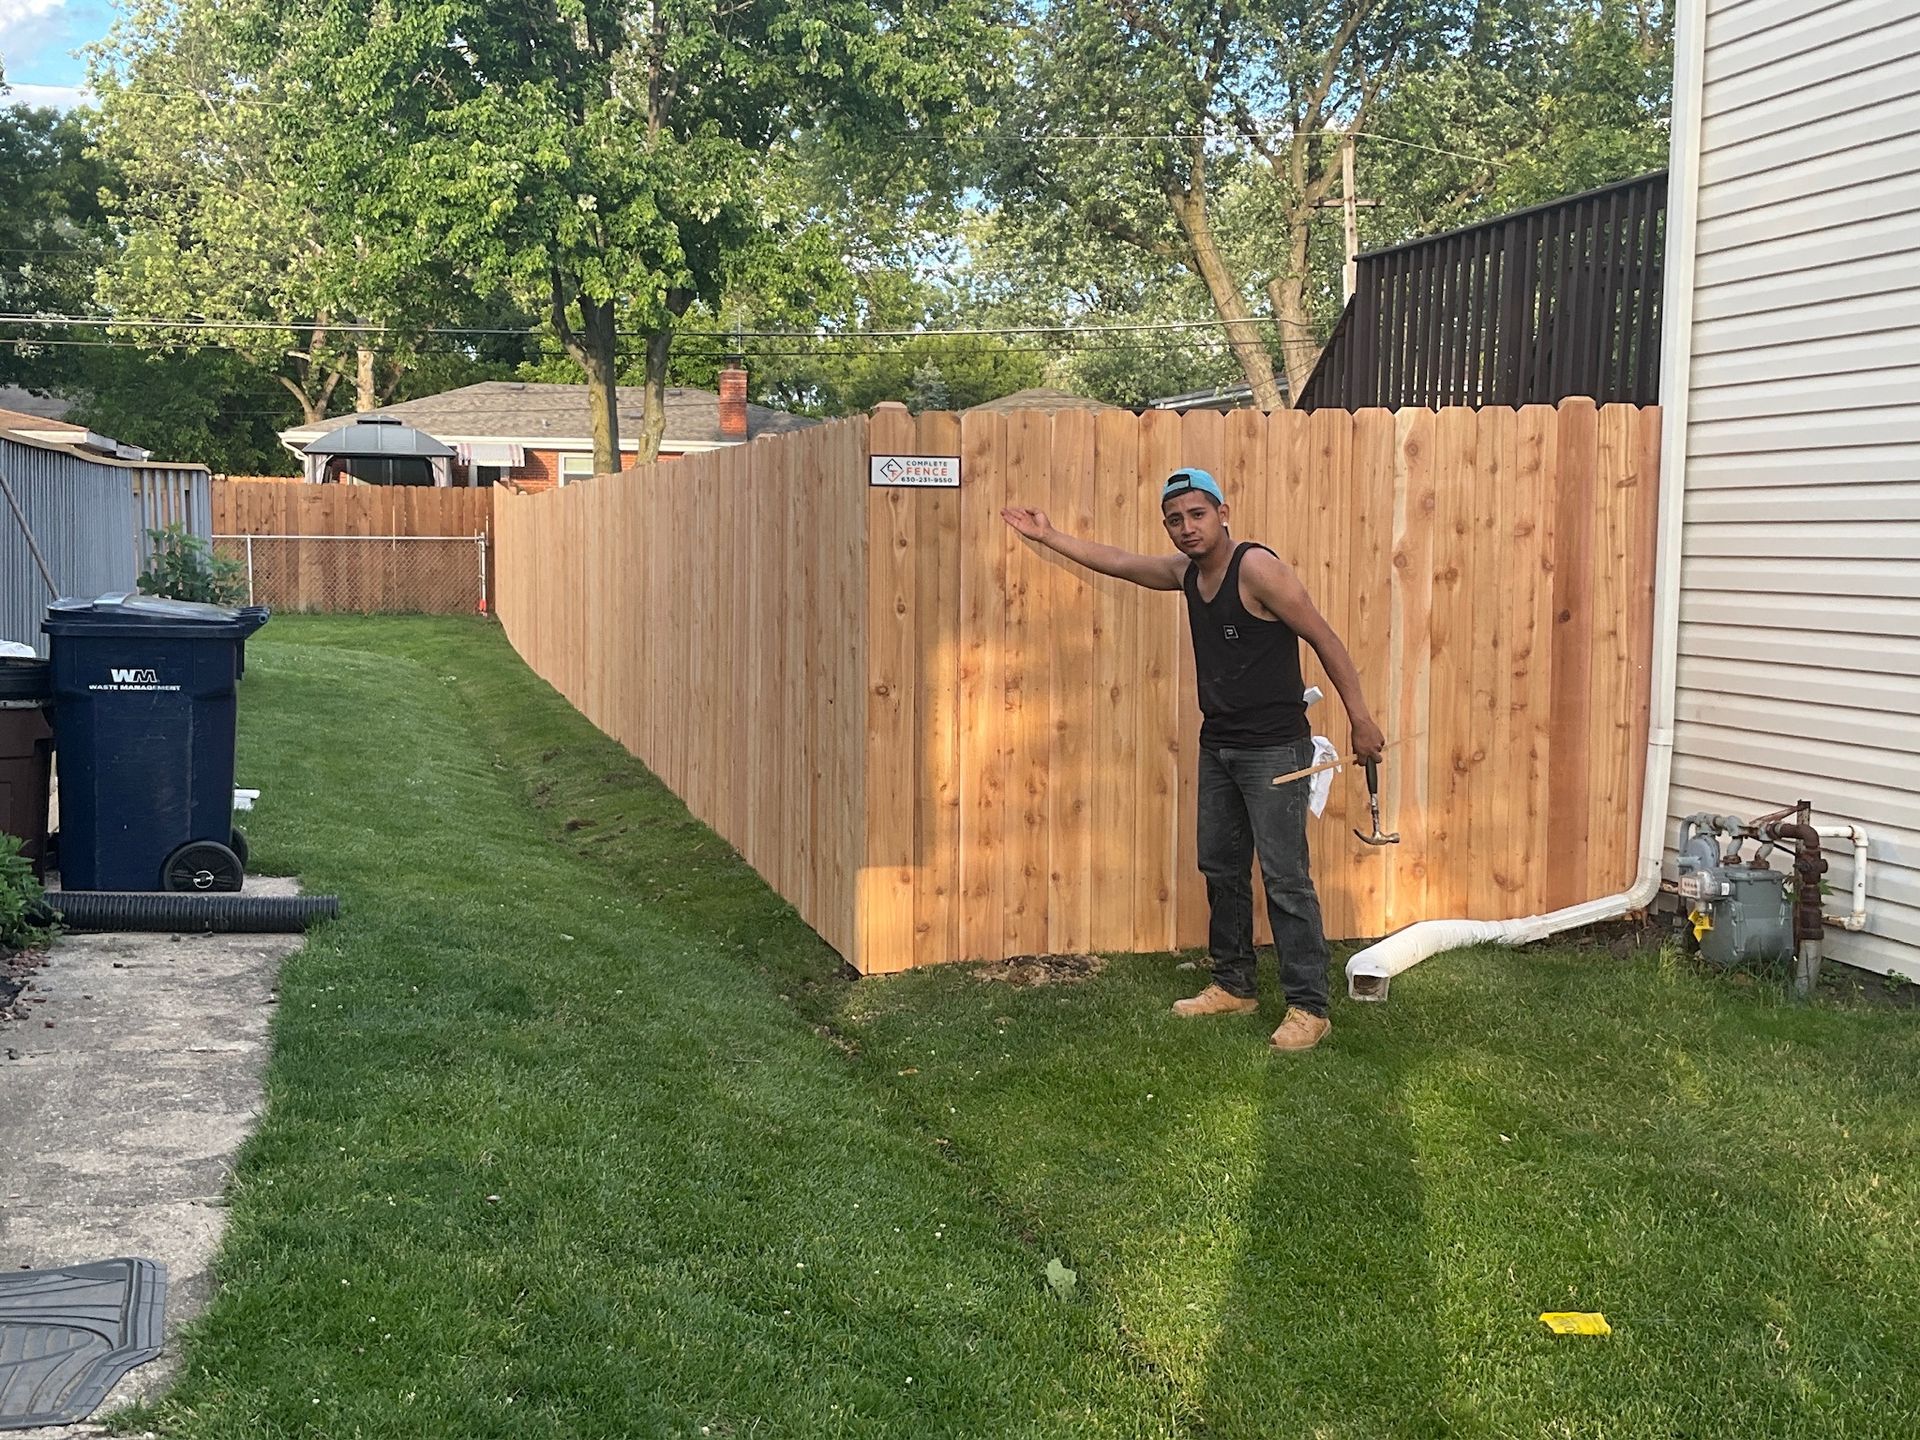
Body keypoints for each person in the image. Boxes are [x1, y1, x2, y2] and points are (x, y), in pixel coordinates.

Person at [1001, 468, 1384, 1052]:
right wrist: (1050, 536)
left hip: (1276, 748)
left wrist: (1360, 718)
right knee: (1222, 867)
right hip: (1220, 745)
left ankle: (1309, 1006)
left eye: (1196, 514)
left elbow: (1324, 639)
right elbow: (1123, 563)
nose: (1186, 528)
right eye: (1175, 520)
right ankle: (1234, 984)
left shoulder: (1257, 569)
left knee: (1285, 879)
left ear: (1222, 512)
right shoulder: (1185, 574)